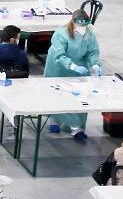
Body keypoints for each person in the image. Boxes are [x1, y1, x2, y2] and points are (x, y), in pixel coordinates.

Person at [42, 10, 102, 140]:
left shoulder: (89, 32)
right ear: (73, 23)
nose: (83, 28)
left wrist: (95, 64)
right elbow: (59, 54)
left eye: (85, 25)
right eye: (81, 25)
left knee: (79, 95)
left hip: (79, 66)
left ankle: (77, 127)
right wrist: (72, 66)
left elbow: (92, 51)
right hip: (58, 67)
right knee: (57, 93)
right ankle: (54, 120)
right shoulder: (61, 33)